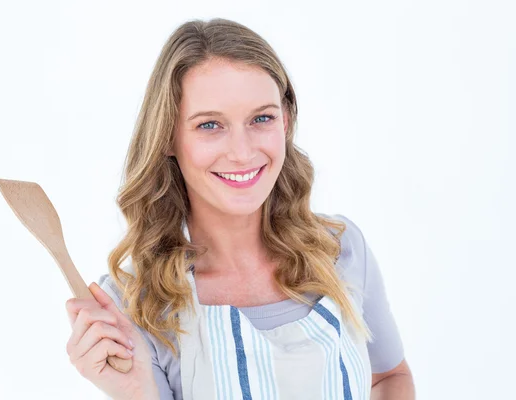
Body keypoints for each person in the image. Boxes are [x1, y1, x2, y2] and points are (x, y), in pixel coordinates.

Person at [64, 18, 415, 400]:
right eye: (210, 125)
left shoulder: (341, 249)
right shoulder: (137, 307)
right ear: (167, 136)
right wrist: (133, 390)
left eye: (261, 118)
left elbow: (388, 378)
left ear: (287, 120)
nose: (243, 152)